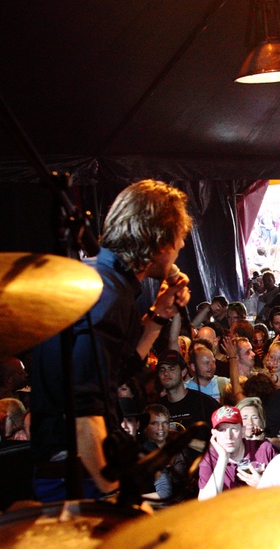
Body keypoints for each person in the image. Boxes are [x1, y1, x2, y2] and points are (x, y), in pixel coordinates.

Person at [31, 179, 192, 499]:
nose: (182, 248)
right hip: (76, 476)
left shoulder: (100, 278)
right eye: (179, 240)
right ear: (160, 243)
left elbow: (116, 371)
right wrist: (114, 495)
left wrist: (158, 315)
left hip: (78, 466)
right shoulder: (107, 297)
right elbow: (83, 414)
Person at [198, 406, 275, 499]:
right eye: (222, 430)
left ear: (243, 431)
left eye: (234, 429)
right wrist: (223, 459)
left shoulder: (264, 449)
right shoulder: (210, 458)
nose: (228, 436)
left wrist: (262, 484)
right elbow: (205, 502)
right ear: (214, 434)